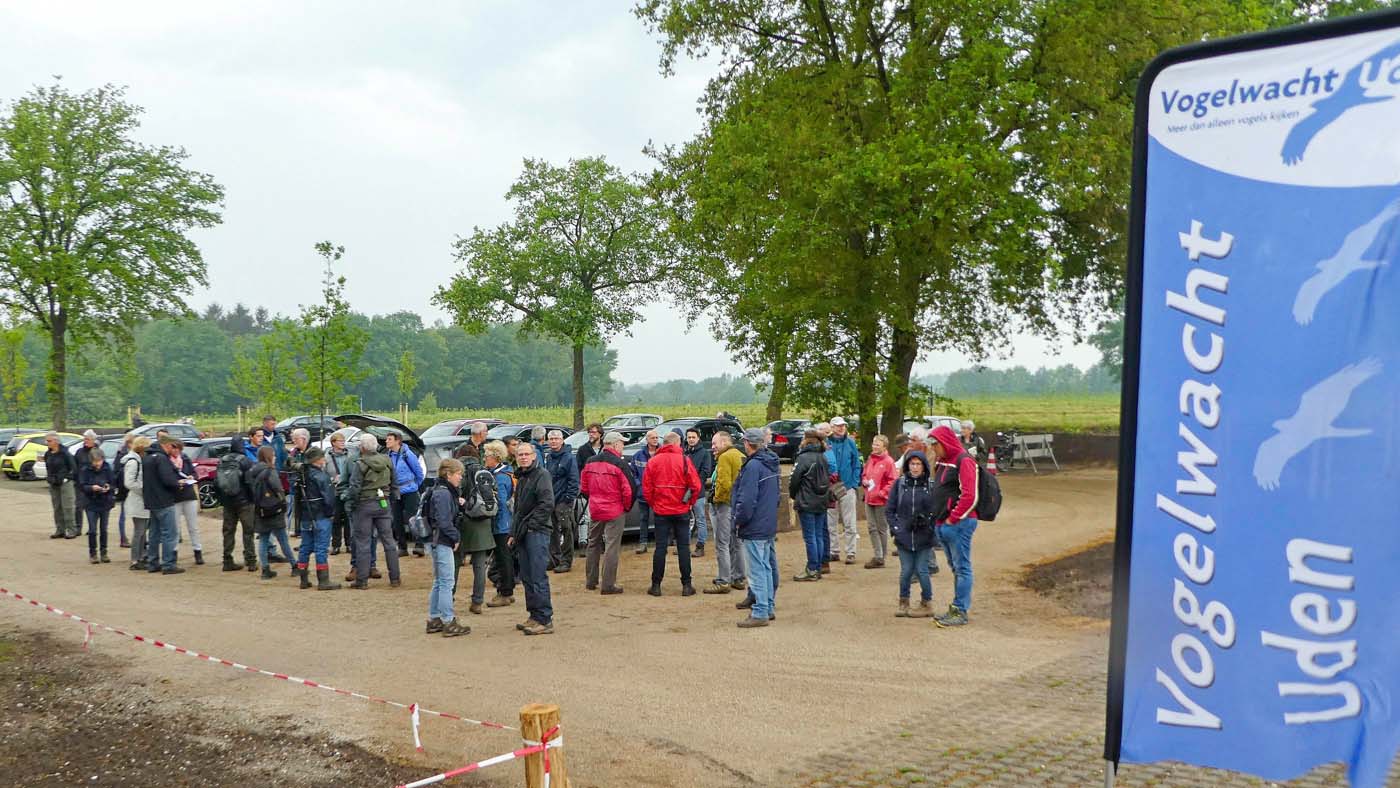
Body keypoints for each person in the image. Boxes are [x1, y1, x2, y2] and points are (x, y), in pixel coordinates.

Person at [931, 425, 980, 627]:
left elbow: (970, 495)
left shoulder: (964, 460)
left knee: (962, 567)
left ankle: (960, 610)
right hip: (944, 523)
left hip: (959, 523)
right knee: (956, 568)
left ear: (945, 442)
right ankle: (957, 606)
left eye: (936, 443)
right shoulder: (942, 462)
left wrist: (953, 518)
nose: (933, 448)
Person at [644, 432, 702, 597]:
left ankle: (656, 585)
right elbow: (695, 486)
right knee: (683, 547)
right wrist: (688, 503)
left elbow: (647, 488)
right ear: (678, 444)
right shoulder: (684, 460)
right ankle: (686, 585)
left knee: (660, 548)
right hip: (681, 509)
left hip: (661, 510)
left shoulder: (653, 461)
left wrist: (654, 504)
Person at [732, 429, 780, 628]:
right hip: (767, 521)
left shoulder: (753, 467)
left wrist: (738, 519)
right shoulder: (771, 464)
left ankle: (760, 610)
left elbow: (747, 499)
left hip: (755, 524)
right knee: (766, 566)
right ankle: (767, 607)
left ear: (748, 443)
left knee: (758, 568)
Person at [580, 430, 635, 595]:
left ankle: (591, 581)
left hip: (596, 508)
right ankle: (608, 584)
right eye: (622, 443)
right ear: (616, 444)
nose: (623, 446)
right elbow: (629, 490)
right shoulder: (620, 464)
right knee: (612, 546)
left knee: (593, 543)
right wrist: (626, 507)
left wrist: (594, 499)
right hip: (614, 509)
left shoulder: (590, 461)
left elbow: (584, 488)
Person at [886, 450, 938, 618]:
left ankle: (927, 602)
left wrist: (930, 526)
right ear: (907, 465)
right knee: (906, 570)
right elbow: (890, 510)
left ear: (924, 466)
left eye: (918, 464)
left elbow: (936, 510)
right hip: (904, 535)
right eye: (912, 464)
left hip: (924, 535)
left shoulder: (930, 486)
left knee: (922, 570)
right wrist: (896, 528)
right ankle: (904, 602)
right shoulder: (899, 485)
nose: (915, 467)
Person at [347, 433, 401, 589]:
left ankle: (362, 581)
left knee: (363, 542)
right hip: (383, 503)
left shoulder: (360, 464)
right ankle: (395, 578)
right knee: (389, 542)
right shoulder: (387, 460)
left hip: (364, 505)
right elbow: (394, 482)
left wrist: (352, 503)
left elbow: (355, 487)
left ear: (362, 447)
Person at [510, 441, 554, 635]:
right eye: (520, 454)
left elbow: (546, 504)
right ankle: (534, 615)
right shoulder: (522, 476)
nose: (523, 457)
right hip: (523, 533)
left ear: (534, 455)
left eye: (527, 454)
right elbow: (519, 509)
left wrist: (531, 527)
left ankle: (544, 618)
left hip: (537, 532)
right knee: (527, 576)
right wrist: (514, 532)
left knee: (537, 576)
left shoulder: (541, 475)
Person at [425, 457, 470, 637]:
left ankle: (435, 618)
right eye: (459, 474)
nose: (460, 478)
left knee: (439, 581)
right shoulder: (444, 493)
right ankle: (448, 621)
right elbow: (444, 520)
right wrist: (455, 536)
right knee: (446, 582)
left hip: (435, 540)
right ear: (448, 474)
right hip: (442, 540)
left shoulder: (437, 490)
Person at [451, 443, 496, 614]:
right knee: (479, 566)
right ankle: (477, 601)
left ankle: (449, 598)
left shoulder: (457, 470)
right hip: (482, 522)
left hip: (461, 521)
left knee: (454, 564)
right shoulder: (484, 472)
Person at [703, 432, 746, 594]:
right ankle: (739, 577)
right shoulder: (740, 455)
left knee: (722, 544)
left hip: (725, 504)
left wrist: (716, 499)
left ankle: (723, 580)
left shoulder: (724, 457)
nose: (712, 447)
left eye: (715, 443)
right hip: (738, 505)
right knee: (737, 542)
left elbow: (724, 483)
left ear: (725, 442)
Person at [293, 447, 341, 591]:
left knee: (305, 547)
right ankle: (323, 581)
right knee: (321, 548)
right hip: (320, 516)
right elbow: (329, 499)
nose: (325, 459)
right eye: (322, 457)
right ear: (317, 460)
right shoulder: (321, 476)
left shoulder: (302, 475)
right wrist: (330, 513)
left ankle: (303, 579)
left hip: (306, 517)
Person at [142, 436, 188, 575]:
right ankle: (168, 564)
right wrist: (179, 483)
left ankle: (153, 562)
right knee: (170, 533)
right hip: (163, 500)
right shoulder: (162, 459)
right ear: (167, 445)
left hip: (151, 500)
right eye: (172, 446)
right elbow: (167, 479)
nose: (173, 449)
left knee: (154, 533)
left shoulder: (147, 457)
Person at [789, 430, 830, 582]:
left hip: (807, 500)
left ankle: (812, 568)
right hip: (821, 500)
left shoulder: (803, 458)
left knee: (810, 537)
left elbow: (794, 480)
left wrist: (794, 495)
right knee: (818, 535)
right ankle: (817, 567)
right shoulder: (823, 457)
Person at [249, 445, 294, 580]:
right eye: (273, 455)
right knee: (283, 539)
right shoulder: (270, 471)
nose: (275, 457)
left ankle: (265, 569)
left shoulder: (253, 471)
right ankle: (295, 565)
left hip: (260, 509)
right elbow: (278, 488)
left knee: (263, 539)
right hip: (274, 509)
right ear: (269, 456)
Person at [824, 416, 863, 565]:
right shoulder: (826, 444)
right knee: (830, 521)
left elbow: (856, 463)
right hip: (830, 487)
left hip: (847, 486)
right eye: (838, 426)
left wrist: (853, 483)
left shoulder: (851, 443)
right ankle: (834, 550)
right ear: (832, 427)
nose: (841, 428)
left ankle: (851, 552)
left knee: (849, 521)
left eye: (843, 426)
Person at [483, 440, 517, 607]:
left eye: (487, 456)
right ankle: (506, 590)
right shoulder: (506, 473)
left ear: (495, 457)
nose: (485, 459)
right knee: (504, 558)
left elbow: (501, 503)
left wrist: (496, 522)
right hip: (505, 523)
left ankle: (505, 592)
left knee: (503, 559)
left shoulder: (500, 477)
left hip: (501, 524)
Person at [217, 436, 257, 572]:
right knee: (248, 531)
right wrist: (253, 499)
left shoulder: (222, 460)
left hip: (228, 502)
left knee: (228, 531)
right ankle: (251, 561)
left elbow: (217, 483)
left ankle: (227, 560)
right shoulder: (245, 461)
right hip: (244, 502)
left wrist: (221, 500)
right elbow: (250, 483)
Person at [543, 429, 579, 573]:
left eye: (556, 438)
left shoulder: (569, 458)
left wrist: (568, 499)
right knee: (552, 531)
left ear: (562, 440)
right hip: (551, 500)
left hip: (563, 501)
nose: (553, 441)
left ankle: (566, 561)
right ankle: (554, 559)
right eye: (551, 439)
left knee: (566, 530)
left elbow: (574, 480)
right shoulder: (549, 457)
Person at [384, 431, 424, 557]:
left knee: (413, 519)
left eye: (389, 439)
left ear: (397, 441)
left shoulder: (408, 454)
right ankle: (402, 547)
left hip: (410, 491)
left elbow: (419, 472)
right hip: (395, 491)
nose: (386, 441)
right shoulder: (388, 456)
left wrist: (414, 486)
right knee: (397, 519)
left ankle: (419, 545)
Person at [861, 435, 898, 569]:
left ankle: (880, 556)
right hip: (869, 497)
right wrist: (864, 480)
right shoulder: (870, 459)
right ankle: (878, 555)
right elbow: (865, 473)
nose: (874, 446)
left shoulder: (888, 462)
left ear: (884, 446)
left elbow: (893, 480)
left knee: (881, 528)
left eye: (878, 444)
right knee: (871, 527)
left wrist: (882, 493)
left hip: (881, 500)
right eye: (874, 443)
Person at [78, 447, 116, 564]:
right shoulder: (85, 470)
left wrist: (108, 488)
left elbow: (113, 483)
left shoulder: (107, 468)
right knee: (93, 530)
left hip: (105, 502)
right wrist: (91, 488)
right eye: (95, 461)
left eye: (99, 461)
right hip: (91, 503)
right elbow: (82, 486)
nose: (98, 464)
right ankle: (93, 553)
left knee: (104, 529)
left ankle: (104, 552)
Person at [170, 439, 204, 565]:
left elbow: (194, 474)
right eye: (174, 448)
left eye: (178, 448)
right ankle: (173, 553)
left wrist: (192, 477)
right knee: (175, 528)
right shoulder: (167, 461)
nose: (176, 451)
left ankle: (197, 551)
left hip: (188, 494)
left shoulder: (185, 459)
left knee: (193, 526)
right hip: (175, 496)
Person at [684, 428, 713, 557]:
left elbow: (705, 472)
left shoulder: (705, 453)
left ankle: (700, 546)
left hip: (698, 492)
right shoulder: (684, 452)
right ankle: (684, 545)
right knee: (686, 520)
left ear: (698, 438)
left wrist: (695, 485)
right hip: (684, 492)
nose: (691, 439)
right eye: (689, 437)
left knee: (700, 519)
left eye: (693, 437)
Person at [43, 432, 78, 539]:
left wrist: (66, 478)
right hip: (53, 484)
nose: (47, 443)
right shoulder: (47, 454)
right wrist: (49, 479)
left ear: (56, 441)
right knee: (57, 507)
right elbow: (48, 468)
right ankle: (60, 529)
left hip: (65, 484)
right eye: (46, 441)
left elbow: (74, 469)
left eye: (49, 441)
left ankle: (71, 529)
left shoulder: (65, 454)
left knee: (67, 507)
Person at [122, 437, 150, 570]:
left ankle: (141, 556)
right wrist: (143, 490)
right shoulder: (133, 462)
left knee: (142, 531)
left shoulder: (136, 460)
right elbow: (129, 482)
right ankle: (135, 559)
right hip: (137, 500)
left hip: (140, 500)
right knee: (139, 531)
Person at [630, 429, 659, 553]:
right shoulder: (638, 455)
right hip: (643, 494)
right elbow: (633, 473)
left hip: (658, 494)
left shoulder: (661, 454)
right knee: (643, 518)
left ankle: (660, 543)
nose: (655, 440)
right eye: (653, 438)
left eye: (657, 437)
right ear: (647, 439)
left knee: (659, 519)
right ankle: (643, 543)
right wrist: (639, 485)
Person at [326, 432, 352, 556]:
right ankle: (336, 545)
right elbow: (323, 473)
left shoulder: (350, 455)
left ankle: (349, 544)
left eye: (343, 440)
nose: (343, 443)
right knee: (335, 519)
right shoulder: (327, 457)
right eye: (340, 441)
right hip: (334, 491)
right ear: (333, 443)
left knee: (348, 518)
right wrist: (331, 479)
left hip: (347, 490)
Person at [73, 430, 99, 536]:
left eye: (87, 439)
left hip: (93, 483)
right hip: (80, 483)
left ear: (93, 440)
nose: (85, 441)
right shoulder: (79, 452)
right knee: (78, 506)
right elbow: (75, 466)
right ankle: (78, 528)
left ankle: (92, 528)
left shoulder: (97, 452)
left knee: (92, 506)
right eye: (84, 439)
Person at [112, 432, 134, 549]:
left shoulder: (120, 454)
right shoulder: (124, 455)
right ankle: (123, 538)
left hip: (124, 488)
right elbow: (117, 473)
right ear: (130, 443)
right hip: (126, 489)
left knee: (124, 515)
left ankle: (124, 538)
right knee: (124, 515)